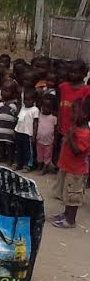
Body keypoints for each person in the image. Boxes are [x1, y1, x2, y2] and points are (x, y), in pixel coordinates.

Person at [52, 96, 90, 229]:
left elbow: (77, 151)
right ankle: (66, 214)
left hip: (76, 171)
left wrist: (70, 137)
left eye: (75, 112)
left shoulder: (85, 134)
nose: (72, 115)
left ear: (86, 115)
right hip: (68, 168)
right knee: (67, 194)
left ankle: (70, 220)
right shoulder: (76, 129)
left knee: (73, 196)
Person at [0, 80, 18, 164]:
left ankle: (10, 159)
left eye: (7, 90)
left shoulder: (14, 106)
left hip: (9, 131)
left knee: (9, 146)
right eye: (3, 89)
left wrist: (15, 130)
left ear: (13, 94)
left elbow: (17, 118)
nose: (3, 92)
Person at [13, 88, 39, 172]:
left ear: (33, 100)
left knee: (28, 151)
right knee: (19, 149)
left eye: (29, 100)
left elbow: (35, 123)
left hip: (28, 134)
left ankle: (28, 165)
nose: (26, 102)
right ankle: (18, 163)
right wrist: (15, 130)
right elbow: (19, 120)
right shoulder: (23, 108)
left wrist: (34, 135)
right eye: (25, 100)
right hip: (19, 132)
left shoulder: (35, 110)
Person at [36, 94, 58, 175]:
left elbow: (55, 130)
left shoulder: (53, 118)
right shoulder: (39, 115)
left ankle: (45, 169)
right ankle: (39, 167)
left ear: (52, 108)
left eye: (48, 107)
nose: (45, 108)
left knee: (47, 157)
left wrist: (55, 139)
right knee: (39, 155)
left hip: (49, 142)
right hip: (39, 140)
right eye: (44, 106)